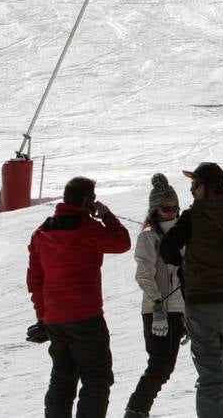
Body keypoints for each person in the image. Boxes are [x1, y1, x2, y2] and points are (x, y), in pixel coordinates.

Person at [159, 162, 223, 418]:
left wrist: (189, 263)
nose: (192, 191)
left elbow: (166, 251)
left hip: (200, 301)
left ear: (207, 187)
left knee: (211, 372)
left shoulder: (193, 216)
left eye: (195, 185)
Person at [27, 176, 132, 418]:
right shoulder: (88, 229)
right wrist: (106, 215)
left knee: (62, 379)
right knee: (96, 377)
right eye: (92, 199)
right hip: (86, 317)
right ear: (87, 201)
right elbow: (122, 242)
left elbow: (35, 280)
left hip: (55, 319)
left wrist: (43, 316)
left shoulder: (41, 233)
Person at [125, 174, 186, 418]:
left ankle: (138, 410)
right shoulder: (148, 237)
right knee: (159, 366)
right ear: (155, 209)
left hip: (177, 309)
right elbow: (144, 275)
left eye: (175, 208)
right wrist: (157, 305)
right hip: (157, 311)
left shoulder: (182, 234)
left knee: (165, 367)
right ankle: (136, 411)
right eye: (166, 208)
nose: (171, 213)